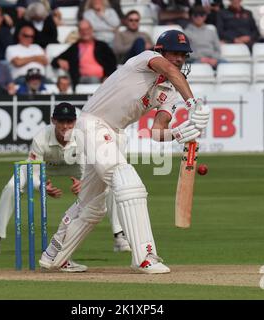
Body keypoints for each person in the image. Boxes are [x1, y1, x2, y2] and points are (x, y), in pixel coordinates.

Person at [38, 30, 210, 274]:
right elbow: (171, 71)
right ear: (161, 51)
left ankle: (55, 255)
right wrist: (193, 104)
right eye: (175, 53)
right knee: (129, 184)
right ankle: (144, 256)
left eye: (183, 55)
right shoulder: (145, 59)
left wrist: (181, 133)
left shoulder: (170, 92)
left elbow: (157, 131)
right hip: (92, 123)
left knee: (92, 205)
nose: (180, 59)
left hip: (115, 134)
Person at [0, 103, 131, 271]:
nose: (65, 126)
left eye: (69, 121)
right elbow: (34, 174)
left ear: (75, 121)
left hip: (74, 166)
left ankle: (119, 236)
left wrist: (83, 185)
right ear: (53, 120)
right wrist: (42, 187)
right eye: (61, 121)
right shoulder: (41, 137)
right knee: (11, 186)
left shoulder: (82, 136)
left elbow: (87, 169)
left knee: (107, 185)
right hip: (46, 167)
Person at [51, 20, 117, 90]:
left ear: (91, 30)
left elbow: (112, 63)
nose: (85, 32)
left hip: (102, 79)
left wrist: (107, 76)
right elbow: (54, 61)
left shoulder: (102, 46)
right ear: (79, 32)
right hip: (82, 79)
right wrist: (59, 61)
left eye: (87, 29)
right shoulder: (74, 48)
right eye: (82, 30)